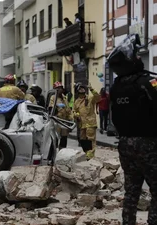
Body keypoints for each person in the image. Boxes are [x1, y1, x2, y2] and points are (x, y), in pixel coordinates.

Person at [108, 33, 157, 225]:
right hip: (149, 142)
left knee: (132, 190)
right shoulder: (148, 82)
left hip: (125, 143)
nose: (138, 57)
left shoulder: (117, 86)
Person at [73, 82, 100, 159]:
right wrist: (76, 115)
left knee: (90, 139)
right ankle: (87, 153)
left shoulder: (90, 99)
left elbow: (98, 97)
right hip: (82, 124)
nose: (81, 89)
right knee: (82, 140)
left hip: (90, 123)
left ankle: (90, 155)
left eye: (83, 88)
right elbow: (74, 111)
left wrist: (91, 89)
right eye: (80, 88)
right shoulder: (76, 101)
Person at [49, 82, 73, 149]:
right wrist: (57, 106)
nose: (60, 90)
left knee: (64, 138)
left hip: (64, 121)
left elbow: (68, 110)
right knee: (55, 138)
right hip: (56, 121)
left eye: (61, 88)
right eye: (58, 88)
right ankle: (53, 152)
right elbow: (51, 108)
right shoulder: (53, 97)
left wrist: (71, 119)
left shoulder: (64, 98)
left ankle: (62, 151)